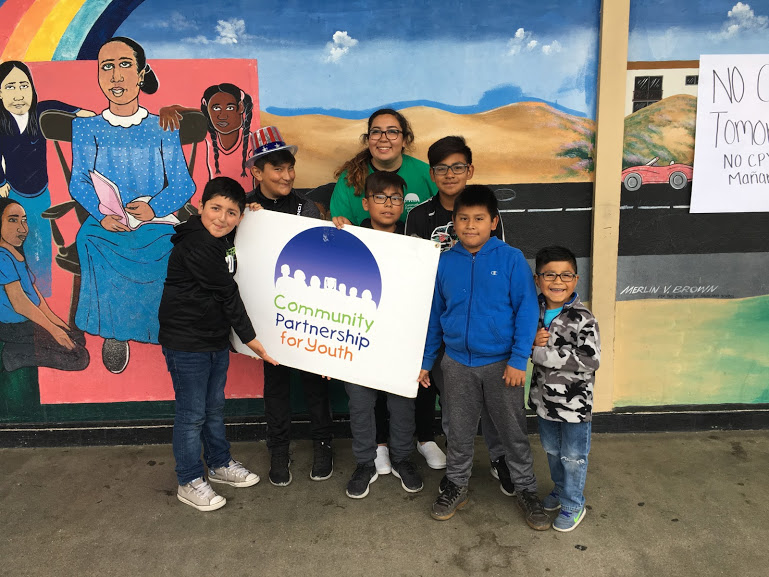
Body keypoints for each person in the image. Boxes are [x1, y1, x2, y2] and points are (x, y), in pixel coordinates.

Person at [418, 185, 550, 530]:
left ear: (494, 222)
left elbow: (525, 311)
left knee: (511, 431)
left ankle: (526, 489)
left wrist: (519, 358)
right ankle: (456, 485)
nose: (470, 225)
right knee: (458, 431)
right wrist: (428, 360)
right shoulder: (444, 263)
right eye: (463, 218)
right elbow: (435, 316)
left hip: (502, 364)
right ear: (453, 222)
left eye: (479, 218)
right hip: (457, 364)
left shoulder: (511, 259)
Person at [69, 37, 195, 374]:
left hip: (155, 221)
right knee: (90, 240)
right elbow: (78, 181)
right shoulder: (86, 128)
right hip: (107, 221)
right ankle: (114, 331)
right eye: (106, 67)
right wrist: (102, 213)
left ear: (141, 74)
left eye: (125, 64)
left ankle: (161, 329)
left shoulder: (162, 126)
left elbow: (184, 184)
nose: (115, 76)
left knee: (169, 248)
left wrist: (154, 207)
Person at [158, 176, 277, 512]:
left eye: (232, 212)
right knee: (192, 414)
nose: (222, 218)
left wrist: (254, 215)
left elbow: (238, 244)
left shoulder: (220, 238)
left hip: (213, 339)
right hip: (187, 343)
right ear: (200, 207)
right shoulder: (196, 245)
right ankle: (189, 479)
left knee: (213, 409)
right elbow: (227, 293)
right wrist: (255, 343)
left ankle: (220, 464)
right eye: (215, 208)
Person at [406, 135, 512, 492]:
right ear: (432, 173)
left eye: (457, 167)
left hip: (486, 329)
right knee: (451, 399)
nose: (449, 174)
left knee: (495, 402)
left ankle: (500, 459)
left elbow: (505, 270)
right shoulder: (419, 215)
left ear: (469, 169)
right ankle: (458, 462)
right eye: (440, 168)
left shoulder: (489, 211)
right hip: (439, 321)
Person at [244, 126, 334, 485]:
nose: (286, 175)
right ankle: (278, 449)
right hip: (267, 315)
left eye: (289, 167)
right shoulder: (244, 209)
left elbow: (324, 260)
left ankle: (323, 443)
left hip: (307, 312)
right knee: (276, 385)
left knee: (316, 383)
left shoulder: (307, 208)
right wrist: (246, 221)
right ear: (257, 171)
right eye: (277, 169)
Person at [342, 171, 423, 498]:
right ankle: (365, 461)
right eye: (381, 198)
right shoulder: (350, 237)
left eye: (396, 199)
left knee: (402, 405)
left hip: (401, 342)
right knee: (360, 404)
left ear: (403, 204)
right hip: (358, 341)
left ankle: (403, 458)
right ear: (366, 202)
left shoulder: (416, 243)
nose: (389, 205)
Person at [0, 61, 95, 296]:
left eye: (24, 86)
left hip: (40, 192)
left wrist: (81, 113)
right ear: (0, 93)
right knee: (14, 245)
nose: (19, 94)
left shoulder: (40, 112)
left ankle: (43, 292)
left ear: (32, 90)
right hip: (12, 193)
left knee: (41, 246)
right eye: (10, 87)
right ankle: (17, 294)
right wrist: (1, 181)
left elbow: (56, 105)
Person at [530, 245, 600, 532]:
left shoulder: (583, 318)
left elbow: (590, 360)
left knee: (573, 456)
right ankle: (560, 489)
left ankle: (573, 503)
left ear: (576, 279)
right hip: (544, 402)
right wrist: (531, 341)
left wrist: (541, 353)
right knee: (551, 449)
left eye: (565, 275)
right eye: (549, 275)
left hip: (575, 405)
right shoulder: (533, 310)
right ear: (537, 279)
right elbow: (523, 342)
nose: (557, 282)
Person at [0, 197, 89, 373]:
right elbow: (20, 303)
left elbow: (35, 296)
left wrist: (58, 324)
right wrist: (53, 330)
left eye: (24, 221)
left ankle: (23, 350)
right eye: (12, 220)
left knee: (77, 338)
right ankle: (13, 356)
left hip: (27, 321)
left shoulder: (16, 254)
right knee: (80, 359)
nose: (22, 228)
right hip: (12, 326)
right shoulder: (2, 258)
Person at [330, 108, 436, 227]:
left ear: (405, 140)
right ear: (368, 139)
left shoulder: (427, 174)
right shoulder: (349, 177)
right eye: (376, 132)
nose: (383, 138)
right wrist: (342, 225)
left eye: (392, 132)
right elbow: (342, 228)